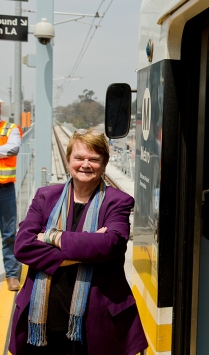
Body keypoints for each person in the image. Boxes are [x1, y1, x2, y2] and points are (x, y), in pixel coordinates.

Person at [9, 129, 148, 355]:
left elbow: (111, 244)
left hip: (97, 323)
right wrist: (87, 249)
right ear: (68, 161)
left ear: (104, 164)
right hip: (43, 321)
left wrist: (51, 237)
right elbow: (23, 246)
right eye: (79, 158)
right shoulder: (45, 197)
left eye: (94, 159)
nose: (86, 164)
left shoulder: (117, 201)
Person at [0, 97, 22, 291]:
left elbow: (13, 148)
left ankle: (12, 274)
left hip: (4, 189)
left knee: (8, 233)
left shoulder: (10, 129)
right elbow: (5, 150)